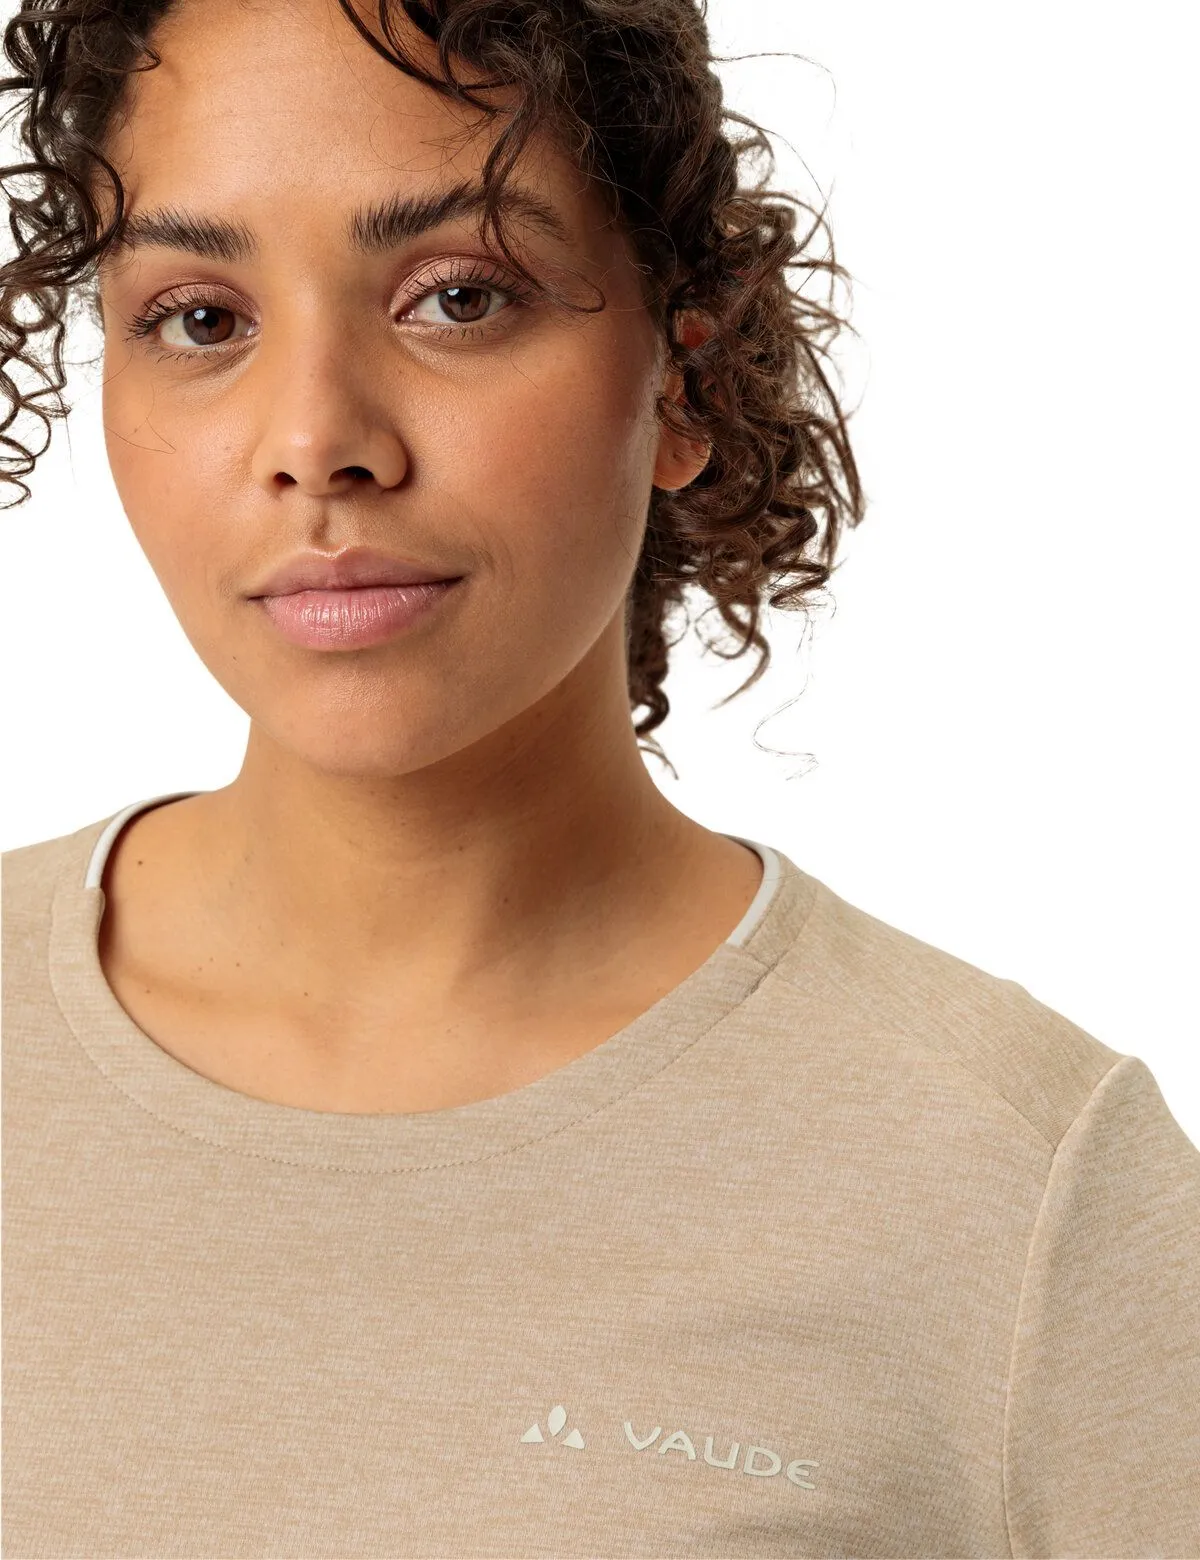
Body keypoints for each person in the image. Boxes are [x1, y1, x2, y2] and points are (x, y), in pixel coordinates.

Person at [2, 0, 1197, 1555]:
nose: (315, 440)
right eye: (202, 320)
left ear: (683, 381)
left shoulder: (1026, 1193)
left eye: (458, 297)